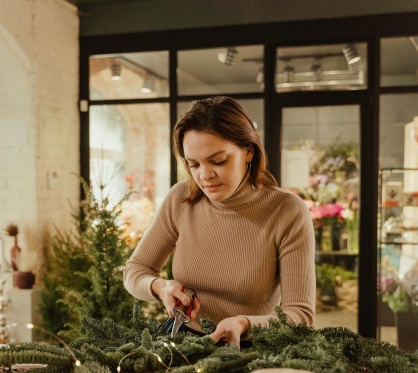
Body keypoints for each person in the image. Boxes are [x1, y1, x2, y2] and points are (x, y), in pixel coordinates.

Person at [123, 96, 315, 347]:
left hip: (253, 349)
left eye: (219, 161)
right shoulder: (180, 199)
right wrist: (160, 287)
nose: (204, 176)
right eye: (193, 164)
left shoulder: (286, 211)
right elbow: (135, 271)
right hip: (184, 347)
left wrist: (244, 323)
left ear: (248, 151)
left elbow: (300, 315)